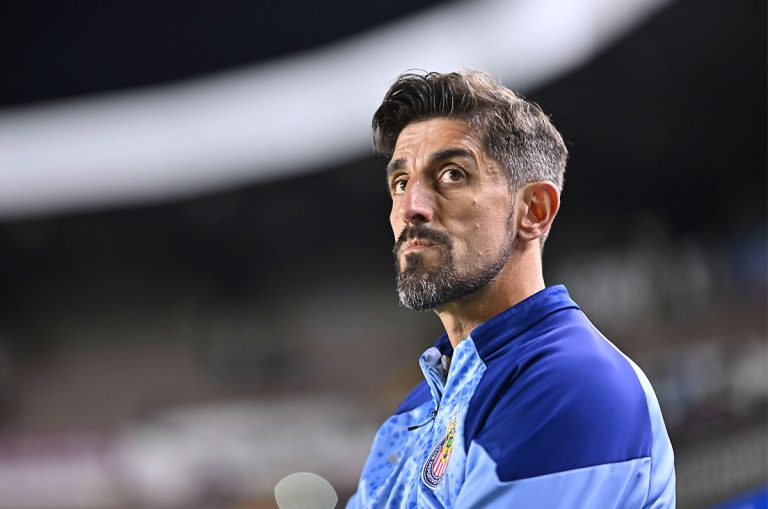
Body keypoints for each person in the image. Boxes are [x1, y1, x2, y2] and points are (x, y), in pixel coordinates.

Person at [346, 70, 676, 508]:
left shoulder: (571, 384)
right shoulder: (416, 408)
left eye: (451, 175)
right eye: (401, 183)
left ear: (534, 210)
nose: (411, 208)